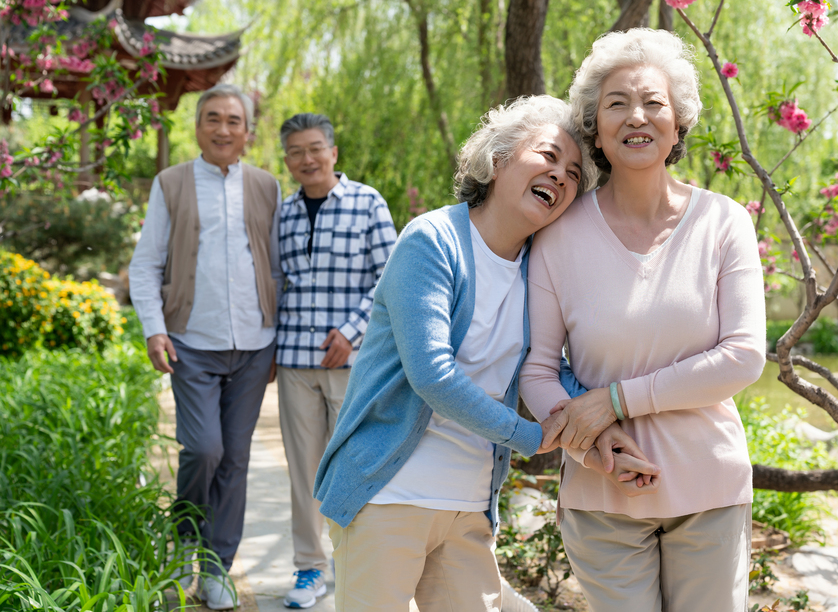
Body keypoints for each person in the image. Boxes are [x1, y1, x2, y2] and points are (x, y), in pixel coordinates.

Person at [312, 94, 657, 612]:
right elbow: (432, 374)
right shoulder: (432, 241)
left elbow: (544, 369)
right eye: (547, 156)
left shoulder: (536, 269)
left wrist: (600, 433)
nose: (561, 176)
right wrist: (532, 436)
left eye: (573, 173)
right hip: (388, 493)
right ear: (497, 161)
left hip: (469, 503)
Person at [520, 28, 767, 611]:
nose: (637, 116)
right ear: (596, 130)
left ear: (678, 121)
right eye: (617, 103)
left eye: (653, 102)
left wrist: (618, 401)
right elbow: (536, 370)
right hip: (601, 494)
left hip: (711, 488)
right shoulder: (555, 236)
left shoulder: (725, 222)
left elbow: (743, 356)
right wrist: (594, 443)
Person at [129, 84, 282, 609]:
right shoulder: (170, 183)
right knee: (204, 449)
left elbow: (279, 266)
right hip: (191, 342)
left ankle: (217, 565)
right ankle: (185, 545)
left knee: (236, 457)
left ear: (248, 132)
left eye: (233, 121)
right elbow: (146, 263)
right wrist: (154, 326)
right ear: (197, 128)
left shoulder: (266, 185)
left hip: (256, 344)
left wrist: (281, 337)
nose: (222, 129)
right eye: (212, 119)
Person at [274, 113, 397, 608]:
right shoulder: (281, 213)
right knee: (303, 472)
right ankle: (309, 570)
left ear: (333, 152)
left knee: (353, 467)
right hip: (293, 363)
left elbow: (389, 277)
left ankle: (357, 564)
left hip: (352, 364)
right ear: (287, 159)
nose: (307, 159)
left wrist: (351, 333)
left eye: (314, 149)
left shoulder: (367, 204)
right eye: (296, 152)